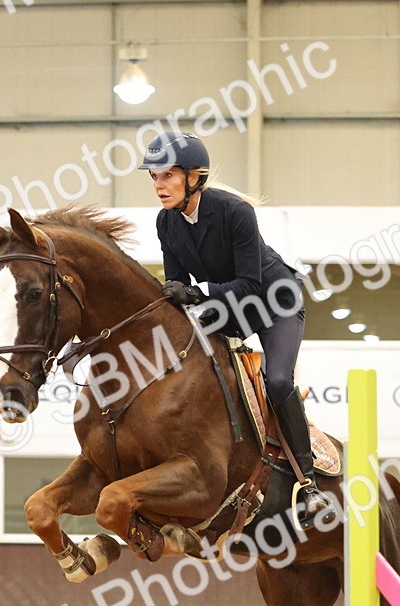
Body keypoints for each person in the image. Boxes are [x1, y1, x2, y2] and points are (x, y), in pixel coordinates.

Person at [137, 130, 330, 527]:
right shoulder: (166, 222)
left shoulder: (235, 211)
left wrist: (197, 292)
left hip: (273, 301)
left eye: (167, 176)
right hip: (228, 306)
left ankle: (308, 484)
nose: (158, 186)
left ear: (194, 178)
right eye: (154, 178)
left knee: (277, 381)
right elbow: (179, 291)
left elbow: (250, 283)